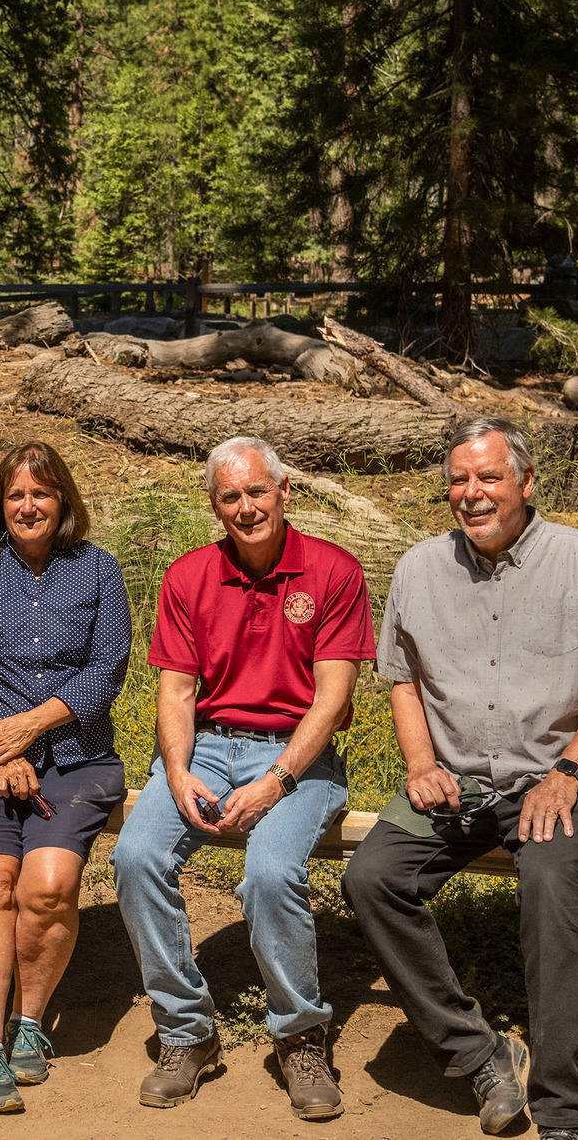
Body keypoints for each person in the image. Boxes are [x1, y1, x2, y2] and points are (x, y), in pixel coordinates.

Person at [344, 417, 578, 1140]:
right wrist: (420, 765)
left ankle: (564, 1108)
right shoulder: (421, 567)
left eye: (488, 477)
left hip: (562, 781)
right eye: (459, 479)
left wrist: (569, 772)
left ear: (525, 482)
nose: (472, 493)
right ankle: (481, 1054)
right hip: (456, 782)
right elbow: (403, 680)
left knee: (548, 883)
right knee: (371, 876)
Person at [111, 436, 372, 1121]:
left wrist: (277, 781)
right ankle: (187, 1032)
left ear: (285, 491)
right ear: (214, 504)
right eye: (231, 496)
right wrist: (174, 768)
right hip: (206, 747)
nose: (247, 506)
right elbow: (176, 691)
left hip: (297, 753)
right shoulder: (190, 575)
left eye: (258, 490)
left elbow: (333, 700)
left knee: (269, 870)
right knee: (136, 856)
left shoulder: (333, 571)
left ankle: (300, 1036)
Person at [0, 440, 133, 1114]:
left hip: (76, 750)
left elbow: (105, 672)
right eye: (15, 495)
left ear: (63, 501)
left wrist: (32, 728)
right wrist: (1, 743)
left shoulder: (98, 570)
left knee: (47, 886)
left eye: (41, 493)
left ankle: (29, 1023)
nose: (28, 505)